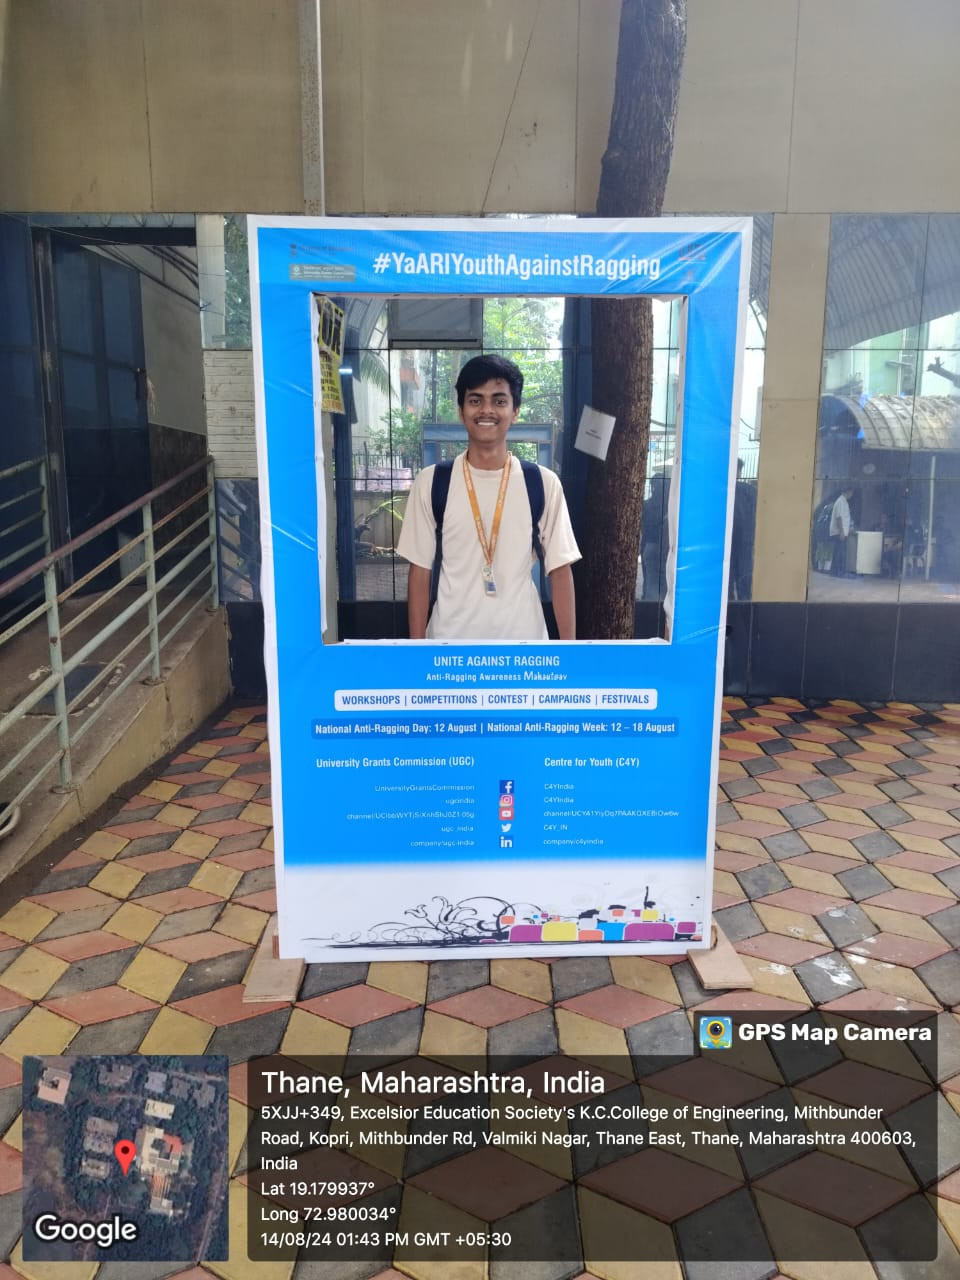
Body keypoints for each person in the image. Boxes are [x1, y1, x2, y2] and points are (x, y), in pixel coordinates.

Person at [398, 355, 580, 640]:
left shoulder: (542, 483)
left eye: (499, 400)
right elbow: (420, 572)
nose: (486, 410)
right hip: (449, 649)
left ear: (515, 411)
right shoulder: (432, 482)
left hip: (524, 650)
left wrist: (568, 653)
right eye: (475, 400)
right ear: (461, 411)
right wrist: (418, 652)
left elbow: (560, 570)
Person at [829, 485, 855, 576]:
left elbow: (844, 518)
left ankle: (835, 572)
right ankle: (839, 572)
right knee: (840, 553)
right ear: (848, 491)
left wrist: (848, 529)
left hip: (842, 531)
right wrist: (842, 531)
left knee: (839, 552)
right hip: (839, 532)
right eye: (851, 492)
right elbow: (839, 517)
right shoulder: (840, 501)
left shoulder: (844, 502)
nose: (852, 494)